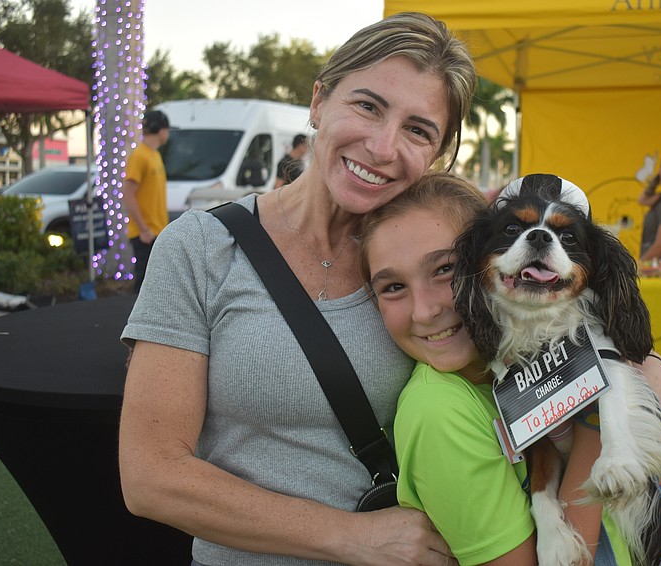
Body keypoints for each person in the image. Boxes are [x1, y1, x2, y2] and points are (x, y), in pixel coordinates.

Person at [118, 12, 477, 565]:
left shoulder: (447, 258)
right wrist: (352, 537)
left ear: (437, 153)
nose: (383, 147)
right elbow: (151, 475)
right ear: (318, 102)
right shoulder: (201, 249)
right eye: (368, 106)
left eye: (417, 129)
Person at [360, 172, 661, 566]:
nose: (426, 310)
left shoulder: (507, 365)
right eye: (393, 287)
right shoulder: (438, 413)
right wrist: (613, 408)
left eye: (444, 269)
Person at [121, 109, 171, 293]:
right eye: (167, 129)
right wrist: (143, 228)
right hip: (145, 234)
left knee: (155, 286)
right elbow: (127, 193)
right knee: (143, 286)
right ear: (161, 130)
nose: (168, 134)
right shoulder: (139, 156)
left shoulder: (154, 155)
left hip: (157, 231)